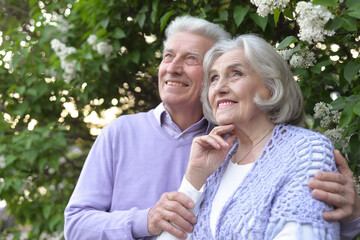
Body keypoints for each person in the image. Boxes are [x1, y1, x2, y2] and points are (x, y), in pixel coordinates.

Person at [64, 16, 360, 240]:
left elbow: (308, 221)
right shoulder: (121, 133)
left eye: (191, 59)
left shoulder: (230, 147)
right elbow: (75, 225)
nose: (173, 67)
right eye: (168, 56)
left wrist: (351, 217)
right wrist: (147, 219)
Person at [161, 33, 340, 239]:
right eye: (213, 78)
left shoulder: (306, 150)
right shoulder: (215, 166)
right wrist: (193, 178)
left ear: (270, 88)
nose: (219, 88)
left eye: (236, 73)